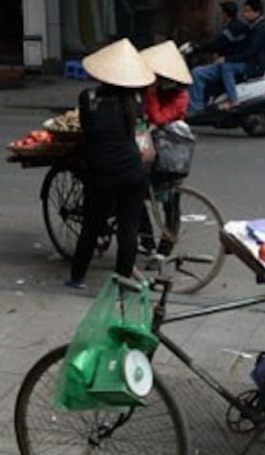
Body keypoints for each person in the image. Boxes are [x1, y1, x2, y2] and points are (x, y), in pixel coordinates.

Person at [66, 38, 155, 288]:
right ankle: (122, 284)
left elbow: (88, 131)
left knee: (92, 225)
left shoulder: (88, 98)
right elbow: (137, 132)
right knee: (129, 228)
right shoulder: (135, 101)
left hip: (100, 173)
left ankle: (77, 278)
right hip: (131, 172)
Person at [139, 40, 192, 256]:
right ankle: (147, 241)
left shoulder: (180, 96)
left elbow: (158, 118)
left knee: (170, 200)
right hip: (147, 147)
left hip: (169, 152)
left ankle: (165, 247)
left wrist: (151, 94)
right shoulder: (155, 90)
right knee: (138, 192)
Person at [189, 0, 265, 113]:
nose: (245, 14)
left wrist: (227, 59)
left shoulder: (261, 29)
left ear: (257, 12)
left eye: (248, 11)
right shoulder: (251, 28)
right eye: (244, 11)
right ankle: (198, 107)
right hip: (248, 62)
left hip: (255, 65)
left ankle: (233, 100)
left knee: (227, 66)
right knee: (198, 72)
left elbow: (250, 51)